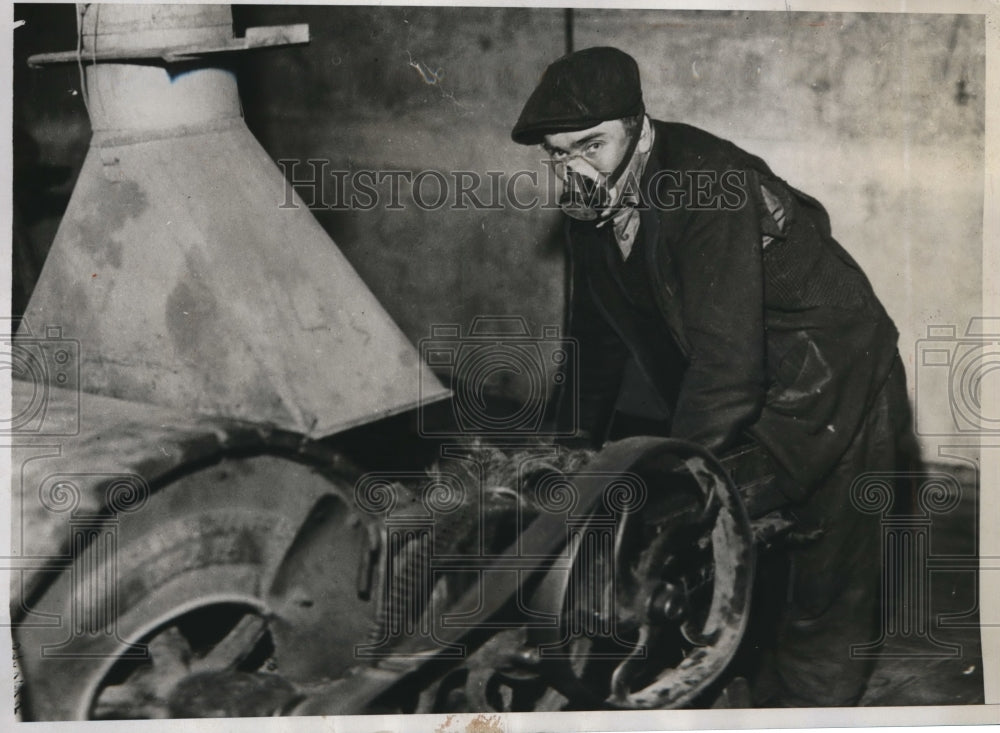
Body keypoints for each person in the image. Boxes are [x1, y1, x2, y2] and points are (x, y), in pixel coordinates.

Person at [511, 46, 920, 707]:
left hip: (830, 378)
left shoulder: (709, 184)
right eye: (558, 153)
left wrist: (668, 470)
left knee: (825, 582)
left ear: (637, 124)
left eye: (589, 144)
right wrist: (568, 457)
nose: (573, 167)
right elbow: (594, 343)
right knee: (732, 554)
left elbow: (728, 368)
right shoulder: (592, 205)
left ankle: (813, 712)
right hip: (747, 375)